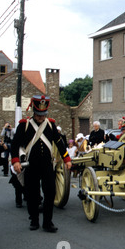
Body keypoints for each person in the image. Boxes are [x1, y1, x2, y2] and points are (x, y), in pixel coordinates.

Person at [11, 95, 72, 232]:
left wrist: (67, 159)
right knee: (32, 195)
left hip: (47, 166)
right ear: (34, 112)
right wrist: (15, 161)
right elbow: (14, 144)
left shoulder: (50, 124)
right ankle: (34, 220)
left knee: (50, 193)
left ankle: (47, 222)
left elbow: (59, 143)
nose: (41, 117)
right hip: (31, 166)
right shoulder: (24, 125)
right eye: (38, 114)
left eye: (43, 114)